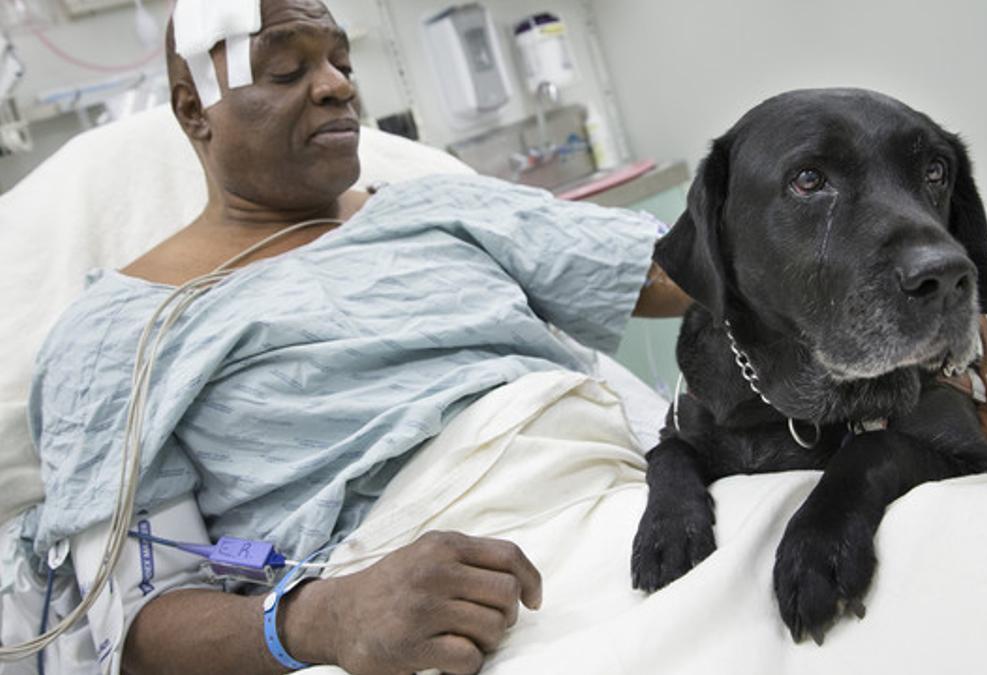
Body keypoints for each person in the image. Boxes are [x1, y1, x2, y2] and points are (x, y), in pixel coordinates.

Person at [24, 1, 689, 673]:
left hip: (642, 501)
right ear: (195, 108)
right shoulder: (121, 335)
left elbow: (677, 272)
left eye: (340, 62)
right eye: (287, 69)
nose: (338, 85)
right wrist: (323, 617)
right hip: (432, 604)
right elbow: (137, 624)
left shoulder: (436, 205)